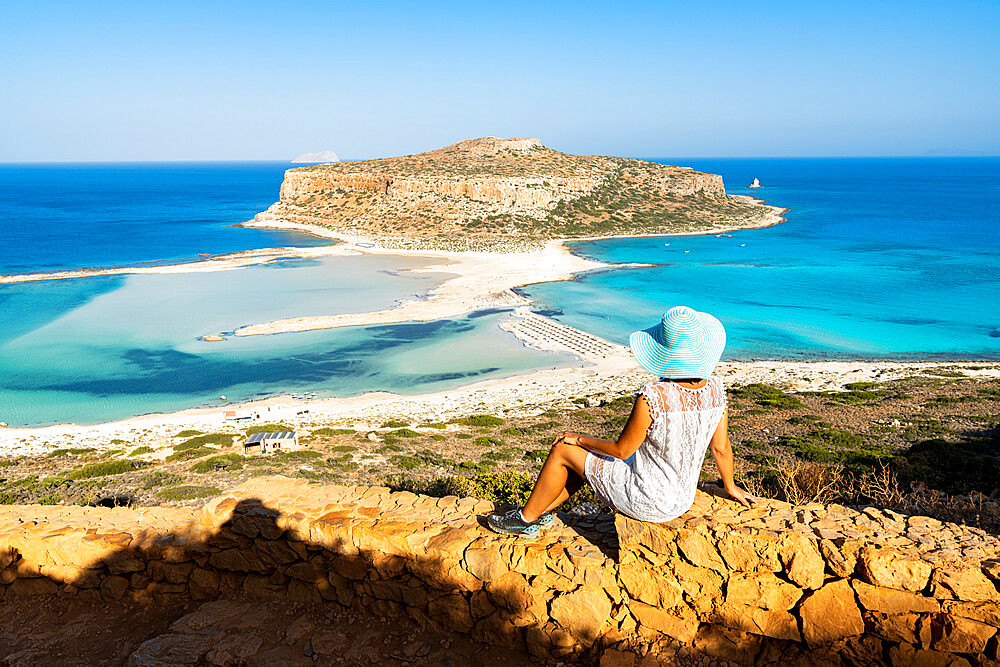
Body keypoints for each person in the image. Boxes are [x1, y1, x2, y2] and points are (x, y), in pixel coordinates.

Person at [487, 306, 757, 538]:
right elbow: (721, 448)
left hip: (647, 499)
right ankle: (540, 513)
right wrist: (730, 486)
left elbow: (622, 450)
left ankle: (523, 521)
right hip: (680, 500)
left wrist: (578, 438)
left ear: (665, 352)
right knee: (589, 461)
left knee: (563, 449)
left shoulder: (654, 395)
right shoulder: (716, 390)